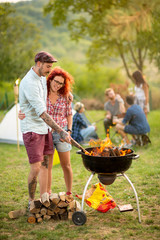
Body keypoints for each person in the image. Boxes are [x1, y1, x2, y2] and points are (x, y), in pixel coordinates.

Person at [19, 51, 71, 207]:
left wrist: (69, 94)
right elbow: (42, 112)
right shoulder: (29, 82)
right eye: (48, 67)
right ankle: (31, 201)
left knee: (46, 163)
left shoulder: (41, 78)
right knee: (36, 167)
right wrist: (61, 131)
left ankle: (45, 197)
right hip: (33, 130)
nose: (49, 70)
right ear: (39, 64)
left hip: (45, 129)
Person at [46, 66, 74, 196]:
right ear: (50, 79)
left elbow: (69, 114)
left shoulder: (65, 96)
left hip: (62, 133)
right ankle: (48, 193)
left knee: (66, 164)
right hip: (46, 133)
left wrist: (68, 131)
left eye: (61, 83)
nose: (57, 85)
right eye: (56, 81)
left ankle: (69, 192)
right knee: (47, 166)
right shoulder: (42, 92)